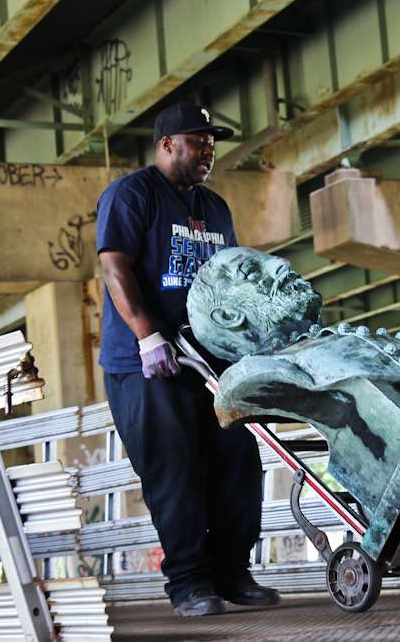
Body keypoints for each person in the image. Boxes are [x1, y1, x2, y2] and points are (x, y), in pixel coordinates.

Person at [95, 103, 278, 617]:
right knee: (175, 469)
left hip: (211, 362)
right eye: (198, 142)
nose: (208, 152)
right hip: (148, 365)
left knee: (238, 462)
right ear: (167, 145)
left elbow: (234, 280)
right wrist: (146, 335)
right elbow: (115, 267)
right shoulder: (133, 195)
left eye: (212, 145)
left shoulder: (215, 208)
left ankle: (233, 573)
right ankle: (189, 583)